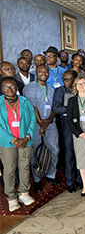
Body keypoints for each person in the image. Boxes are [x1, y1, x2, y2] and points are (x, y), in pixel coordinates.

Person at [0, 77, 36, 212]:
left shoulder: (25, 102)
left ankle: (24, 192)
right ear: (2, 89)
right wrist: (12, 139)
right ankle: (11, 197)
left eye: (13, 87)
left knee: (24, 166)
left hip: (25, 140)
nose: (10, 90)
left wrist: (27, 137)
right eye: (6, 87)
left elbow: (32, 120)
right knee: (9, 168)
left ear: (17, 88)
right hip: (6, 142)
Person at [23, 65, 60, 192]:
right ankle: (37, 179)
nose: (43, 73)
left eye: (46, 71)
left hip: (50, 124)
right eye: (41, 71)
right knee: (35, 151)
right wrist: (40, 124)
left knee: (54, 149)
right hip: (34, 125)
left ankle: (51, 174)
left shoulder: (51, 89)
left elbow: (55, 107)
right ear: (36, 73)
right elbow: (32, 107)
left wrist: (48, 121)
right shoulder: (29, 88)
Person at [53, 70, 82, 193]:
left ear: (75, 80)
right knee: (69, 153)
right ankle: (70, 181)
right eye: (64, 79)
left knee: (80, 153)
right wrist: (72, 109)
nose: (65, 82)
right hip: (67, 126)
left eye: (68, 79)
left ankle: (80, 179)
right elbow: (56, 108)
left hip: (80, 124)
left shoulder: (80, 89)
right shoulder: (60, 91)